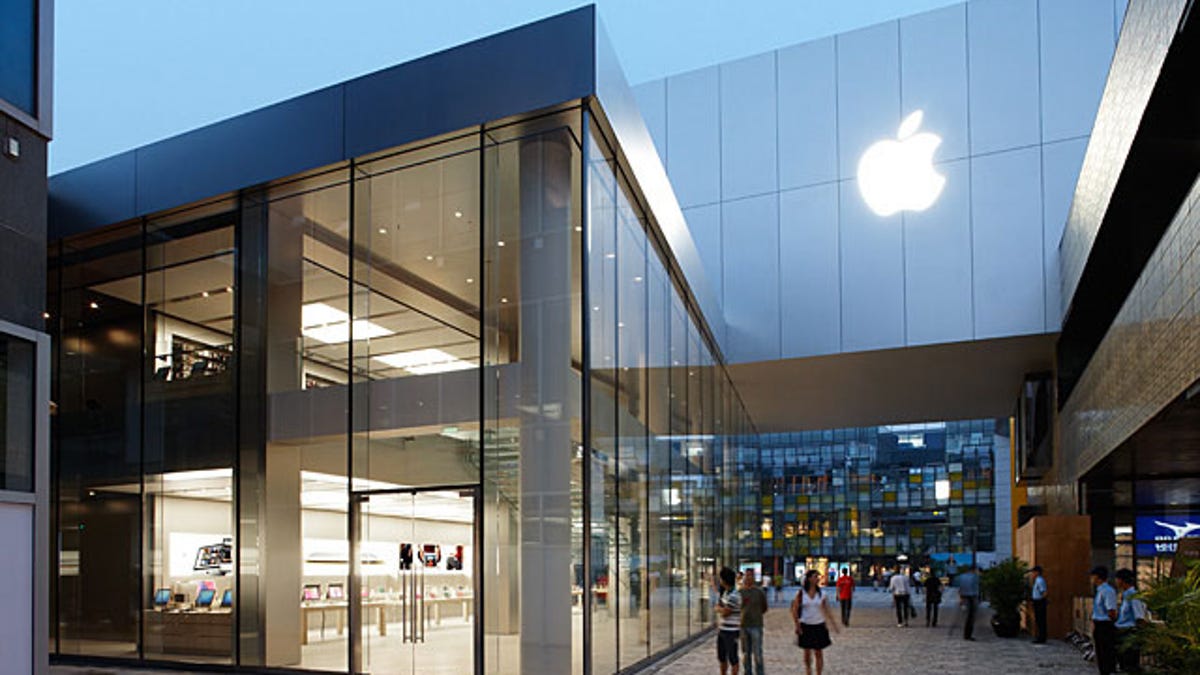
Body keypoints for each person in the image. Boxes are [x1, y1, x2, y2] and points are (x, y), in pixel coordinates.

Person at [791, 570, 838, 675]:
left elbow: (827, 610)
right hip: (806, 624)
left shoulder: (822, 594)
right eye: (815, 576)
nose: (817, 579)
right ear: (809, 579)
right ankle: (808, 671)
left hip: (819, 624)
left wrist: (832, 623)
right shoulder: (801, 593)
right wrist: (797, 624)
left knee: (819, 652)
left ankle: (818, 673)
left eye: (817, 577)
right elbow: (794, 609)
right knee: (807, 652)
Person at [1113, 568, 1147, 674]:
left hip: (1129, 632)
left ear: (1122, 580)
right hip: (1121, 631)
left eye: (1117, 579)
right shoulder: (1125, 595)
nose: (1116, 582)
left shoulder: (1133, 596)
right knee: (1122, 663)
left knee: (1129, 665)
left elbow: (1139, 616)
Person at [1090, 565, 1119, 675]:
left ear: (1098, 577)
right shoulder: (1100, 591)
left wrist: (1111, 622)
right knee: (1100, 653)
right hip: (1099, 624)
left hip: (1105, 625)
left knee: (1106, 652)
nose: (1091, 579)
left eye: (1093, 576)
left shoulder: (1107, 591)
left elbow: (1111, 610)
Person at [739, 569, 768, 675]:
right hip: (743, 625)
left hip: (756, 625)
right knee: (746, 653)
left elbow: (764, 607)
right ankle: (747, 672)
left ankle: (760, 672)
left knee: (757, 653)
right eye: (746, 575)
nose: (748, 578)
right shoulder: (740, 592)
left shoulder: (759, 592)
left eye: (750, 575)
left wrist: (756, 614)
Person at [714, 567, 742, 675]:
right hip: (722, 629)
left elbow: (726, 612)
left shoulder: (734, 595)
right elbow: (722, 608)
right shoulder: (726, 593)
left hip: (732, 631)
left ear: (724, 580)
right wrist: (721, 609)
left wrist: (719, 609)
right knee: (722, 657)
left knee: (733, 657)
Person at [956, 564, 980, 641]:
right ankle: (968, 635)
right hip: (973, 597)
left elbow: (959, 587)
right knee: (972, 617)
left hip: (964, 596)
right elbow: (977, 587)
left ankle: (966, 634)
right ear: (974, 570)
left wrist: (960, 598)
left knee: (967, 615)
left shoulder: (961, 576)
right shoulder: (975, 577)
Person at [1029, 565, 1048, 644]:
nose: (1032, 574)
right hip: (1037, 601)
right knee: (1038, 620)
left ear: (1037, 572)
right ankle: (1040, 636)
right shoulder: (1036, 580)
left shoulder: (1040, 581)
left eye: (1033, 572)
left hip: (1040, 602)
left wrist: (1041, 601)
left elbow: (1044, 592)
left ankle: (1042, 637)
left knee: (1041, 620)